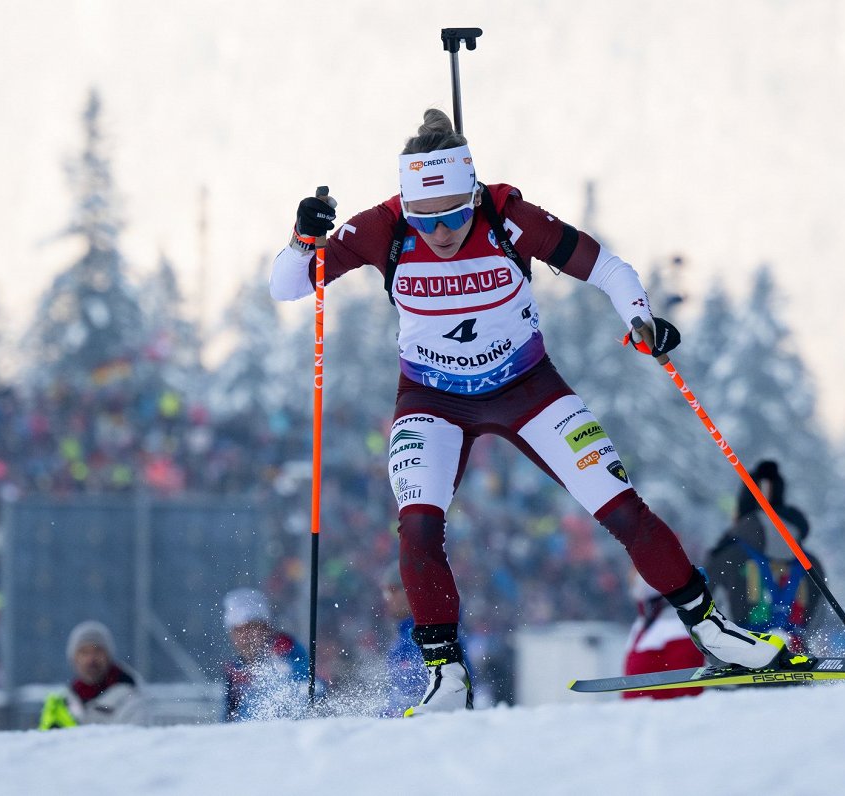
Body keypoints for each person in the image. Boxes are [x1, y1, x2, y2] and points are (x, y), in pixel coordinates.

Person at [270, 108, 812, 715]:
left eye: (454, 214)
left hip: (528, 387)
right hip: (431, 398)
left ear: (473, 193)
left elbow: (607, 267)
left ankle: (713, 633)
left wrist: (641, 318)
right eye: (426, 220)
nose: (441, 233)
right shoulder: (384, 227)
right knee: (419, 526)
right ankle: (446, 675)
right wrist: (302, 238)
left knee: (621, 508)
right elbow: (289, 284)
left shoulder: (506, 216)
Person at [704, 460, 822, 653]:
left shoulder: (726, 555)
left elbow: (703, 611)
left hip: (740, 665)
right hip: (796, 663)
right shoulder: (811, 563)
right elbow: (816, 619)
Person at [222, 587, 313, 722]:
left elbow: (303, 690)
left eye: (251, 627)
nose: (245, 636)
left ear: (266, 628)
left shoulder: (288, 652)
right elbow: (227, 719)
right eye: (238, 630)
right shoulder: (235, 669)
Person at [39, 620, 147, 729]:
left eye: (97, 651)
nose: (91, 659)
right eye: (84, 652)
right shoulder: (60, 704)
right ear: (74, 659)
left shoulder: (130, 700)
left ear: (108, 656)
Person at [621, 572, 705, 700]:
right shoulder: (640, 625)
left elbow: (689, 690)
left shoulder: (675, 626)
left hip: (663, 715)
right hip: (637, 716)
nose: (632, 587)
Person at [379, 566, 428, 717]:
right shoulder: (400, 641)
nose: (387, 598)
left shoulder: (433, 636)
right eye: (385, 592)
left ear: (411, 590)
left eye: (392, 590)